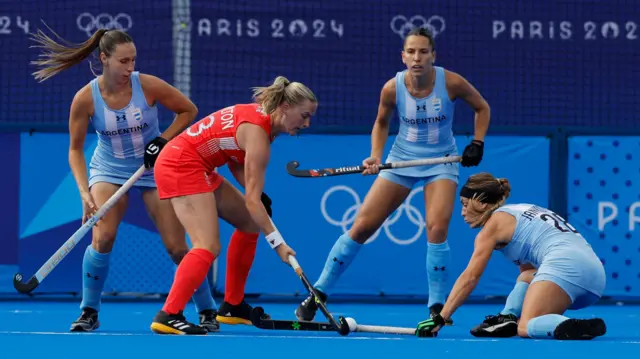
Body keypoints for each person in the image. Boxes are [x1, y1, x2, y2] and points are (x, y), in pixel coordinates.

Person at [30, 28, 220, 332]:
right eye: (123, 61)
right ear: (104, 59)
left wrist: (162, 141)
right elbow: (75, 150)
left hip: (155, 169)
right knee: (102, 237)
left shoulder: (147, 86)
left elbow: (188, 111)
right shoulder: (85, 99)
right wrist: (84, 193)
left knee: (177, 248)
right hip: (109, 170)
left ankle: (207, 308)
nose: (130, 68)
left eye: (133, 60)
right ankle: (89, 311)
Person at [295, 27, 490, 321]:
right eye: (411, 51)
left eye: (423, 51)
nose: (417, 57)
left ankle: (437, 307)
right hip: (402, 158)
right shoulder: (391, 88)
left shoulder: (451, 82)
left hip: (441, 161)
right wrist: (375, 155)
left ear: (433, 55)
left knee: (436, 228)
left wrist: (477, 142)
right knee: (361, 226)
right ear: (403, 56)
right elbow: (381, 123)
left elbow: (482, 107)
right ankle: (319, 292)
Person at [149, 76, 317, 335]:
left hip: (198, 165)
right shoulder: (259, 135)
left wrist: (254, 191)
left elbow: (233, 156)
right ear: (285, 107)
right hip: (181, 165)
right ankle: (169, 314)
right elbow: (251, 201)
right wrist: (279, 245)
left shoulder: (261, 120)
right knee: (207, 245)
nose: (307, 123)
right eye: (304, 116)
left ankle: (232, 305)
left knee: (249, 223)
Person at [415, 172, 607, 340]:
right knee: (525, 277)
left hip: (566, 267)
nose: (462, 212)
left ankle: (573, 326)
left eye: (465, 205)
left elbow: (470, 277)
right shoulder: (520, 210)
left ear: (481, 203)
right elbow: (529, 272)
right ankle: (508, 317)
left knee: (526, 325)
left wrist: (442, 316)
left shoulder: (492, 227)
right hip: (595, 277)